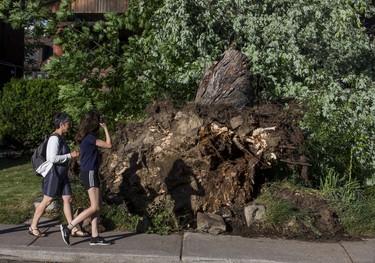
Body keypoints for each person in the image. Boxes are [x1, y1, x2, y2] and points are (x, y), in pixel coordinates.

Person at [29, 112, 87, 238]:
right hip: (53, 173)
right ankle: (33, 226)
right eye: (68, 123)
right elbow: (52, 158)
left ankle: (72, 228)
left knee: (68, 199)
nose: (70, 125)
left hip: (62, 173)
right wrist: (70, 155)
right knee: (47, 200)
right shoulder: (54, 138)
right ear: (61, 124)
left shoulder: (61, 138)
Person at [60, 109, 112, 246]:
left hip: (91, 172)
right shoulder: (90, 137)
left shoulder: (87, 136)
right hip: (88, 172)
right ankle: (69, 227)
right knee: (94, 206)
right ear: (94, 123)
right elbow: (109, 145)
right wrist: (106, 128)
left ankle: (95, 236)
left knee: (98, 206)